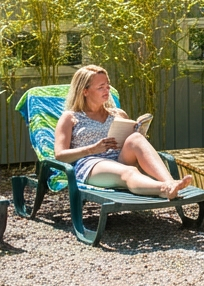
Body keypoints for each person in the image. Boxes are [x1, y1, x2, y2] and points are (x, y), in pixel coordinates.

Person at [53, 65, 193, 199]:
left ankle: (170, 183)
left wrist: (139, 131)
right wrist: (92, 149)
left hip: (120, 158)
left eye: (107, 86)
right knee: (129, 171)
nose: (106, 90)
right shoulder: (70, 117)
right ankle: (164, 189)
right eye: (100, 87)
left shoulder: (118, 114)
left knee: (136, 138)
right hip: (91, 164)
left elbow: (130, 144)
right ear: (85, 91)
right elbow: (60, 155)